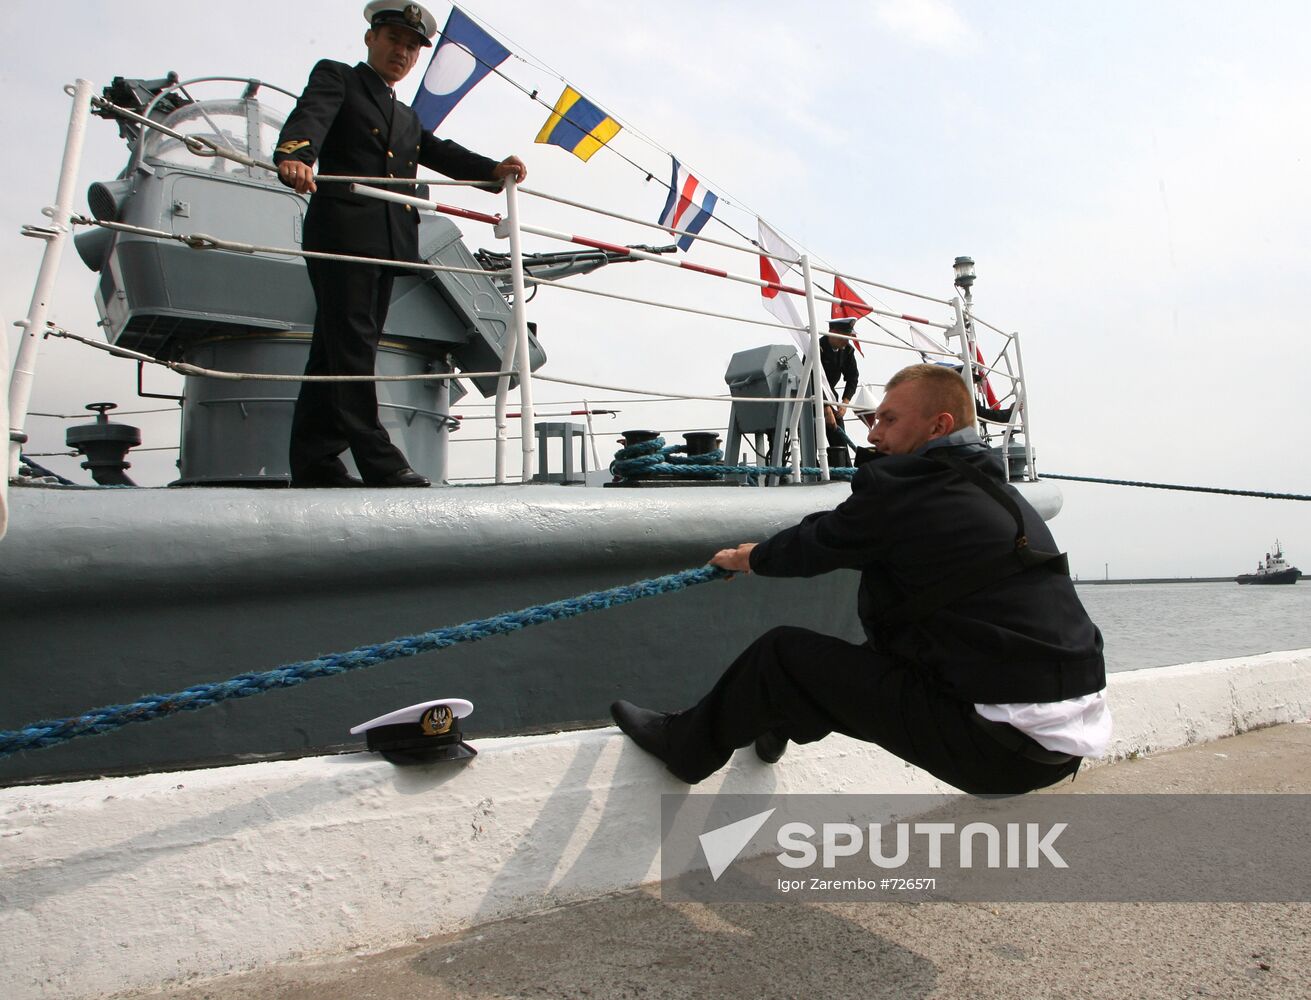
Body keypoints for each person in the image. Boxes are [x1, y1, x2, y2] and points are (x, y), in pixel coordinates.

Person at [611, 363, 1110, 795]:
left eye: (889, 421)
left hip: (998, 745)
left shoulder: (909, 489)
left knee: (781, 655)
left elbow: (820, 541)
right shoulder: (990, 488)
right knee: (876, 652)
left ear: (939, 425)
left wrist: (748, 557)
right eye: (874, 420)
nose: (872, 434)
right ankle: (780, 716)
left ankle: (684, 749)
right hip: (1062, 743)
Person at [273, 2, 527, 488]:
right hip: (343, 236)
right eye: (395, 40)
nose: (402, 52)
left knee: (335, 350)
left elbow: (435, 151)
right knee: (351, 349)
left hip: (388, 243)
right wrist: (297, 156)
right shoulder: (340, 79)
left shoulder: (403, 115)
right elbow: (312, 116)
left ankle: (315, 461)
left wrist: (493, 172)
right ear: (371, 38)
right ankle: (379, 460)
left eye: (411, 47)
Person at [820, 316, 860, 464]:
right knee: (812, 438)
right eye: (844, 337)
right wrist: (825, 408)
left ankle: (846, 471)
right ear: (833, 332)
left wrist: (845, 403)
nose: (847, 341)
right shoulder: (817, 348)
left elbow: (853, 377)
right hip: (810, 397)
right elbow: (812, 377)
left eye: (849, 337)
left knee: (839, 438)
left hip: (831, 397)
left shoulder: (847, 351)